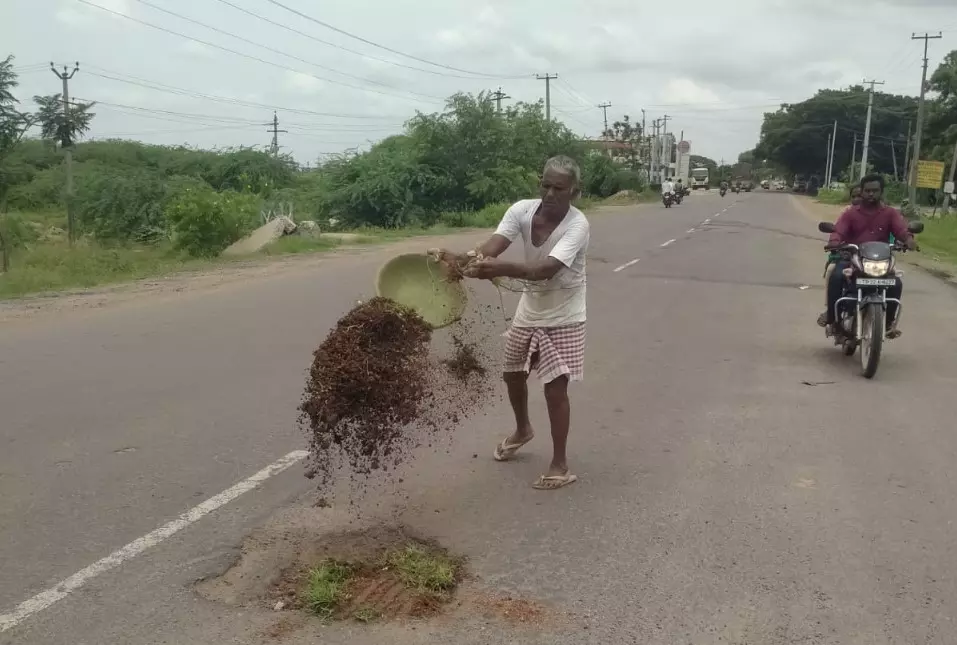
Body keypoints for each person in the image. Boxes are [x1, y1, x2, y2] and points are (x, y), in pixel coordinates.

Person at [431, 155, 588, 491]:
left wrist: (498, 269)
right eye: (544, 184)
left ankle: (560, 464)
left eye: (558, 188)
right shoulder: (521, 210)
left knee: (554, 388)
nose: (549, 193)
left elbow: (546, 270)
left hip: (565, 312)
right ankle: (523, 429)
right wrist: (458, 260)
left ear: (574, 191)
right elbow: (492, 248)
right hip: (530, 308)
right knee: (513, 373)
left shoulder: (578, 225)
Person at [819, 174, 915, 338]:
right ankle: (832, 317)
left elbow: (900, 230)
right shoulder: (850, 214)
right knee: (836, 276)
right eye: (868, 191)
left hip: (879, 261)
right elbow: (839, 230)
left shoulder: (890, 213)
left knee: (896, 283)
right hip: (852, 257)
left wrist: (908, 239)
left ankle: (888, 323)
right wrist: (834, 241)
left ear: (881, 192)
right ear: (862, 192)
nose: (871, 194)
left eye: (875, 191)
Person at [821, 185, 863, 314]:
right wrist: (834, 242)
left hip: (874, 258)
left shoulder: (884, 212)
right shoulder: (847, 213)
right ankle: (831, 311)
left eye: (860, 196)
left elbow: (897, 231)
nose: (856, 199)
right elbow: (838, 230)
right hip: (849, 254)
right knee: (832, 271)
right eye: (853, 196)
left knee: (895, 278)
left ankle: (889, 318)